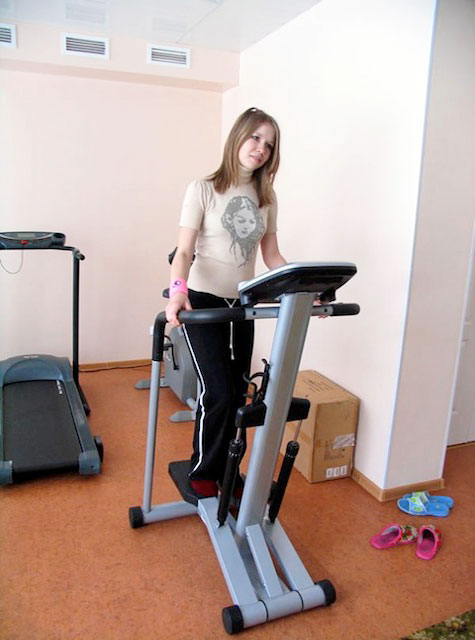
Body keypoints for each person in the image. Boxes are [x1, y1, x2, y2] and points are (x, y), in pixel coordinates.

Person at [165, 107, 287, 498]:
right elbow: (184, 251)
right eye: (256, 138)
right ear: (238, 136)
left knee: (238, 391)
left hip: (242, 304)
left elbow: (272, 257)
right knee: (216, 390)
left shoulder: (266, 198)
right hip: (203, 302)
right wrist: (178, 290)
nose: (261, 149)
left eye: (269, 145)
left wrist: (303, 287)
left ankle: (230, 471)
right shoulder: (203, 188)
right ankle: (204, 470)